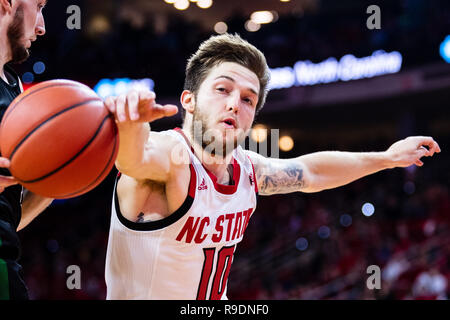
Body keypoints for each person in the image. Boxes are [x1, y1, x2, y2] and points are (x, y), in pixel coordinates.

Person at [103, 33, 441, 300]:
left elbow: (311, 172)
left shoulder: (248, 170)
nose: (235, 104)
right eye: (222, 89)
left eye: (248, 99)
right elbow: (134, 159)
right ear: (188, 101)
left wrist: (387, 158)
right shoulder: (169, 155)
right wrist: (130, 124)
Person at [0, 0, 52, 300]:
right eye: (39, 6)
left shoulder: (16, 86)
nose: (42, 26)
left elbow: (11, 217)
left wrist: (62, 176)